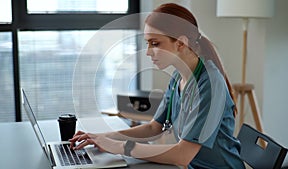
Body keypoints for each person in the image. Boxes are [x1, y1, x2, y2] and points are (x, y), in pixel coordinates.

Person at [70, 3, 246, 169]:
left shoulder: (210, 84)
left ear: (181, 43)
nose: (148, 52)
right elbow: (153, 127)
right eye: (147, 44)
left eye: (155, 43)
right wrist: (102, 137)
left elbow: (183, 154)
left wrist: (120, 147)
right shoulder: (178, 76)